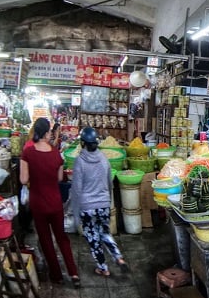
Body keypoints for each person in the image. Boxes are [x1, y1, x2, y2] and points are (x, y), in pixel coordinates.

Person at [20, 118, 80, 287]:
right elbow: (60, 178)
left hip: (38, 202)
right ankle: (73, 273)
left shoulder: (28, 152)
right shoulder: (55, 153)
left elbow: (23, 180)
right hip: (54, 202)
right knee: (62, 238)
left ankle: (56, 275)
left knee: (45, 239)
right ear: (47, 133)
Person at [69, 127, 129, 277]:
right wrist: (106, 200)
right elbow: (109, 183)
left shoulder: (80, 161)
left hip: (87, 206)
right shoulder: (103, 158)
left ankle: (103, 268)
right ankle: (118, 257)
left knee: (93, 237)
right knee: (105, 233)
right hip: (103, 204)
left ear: (83, 143)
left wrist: (76, 215)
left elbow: (76, 190)